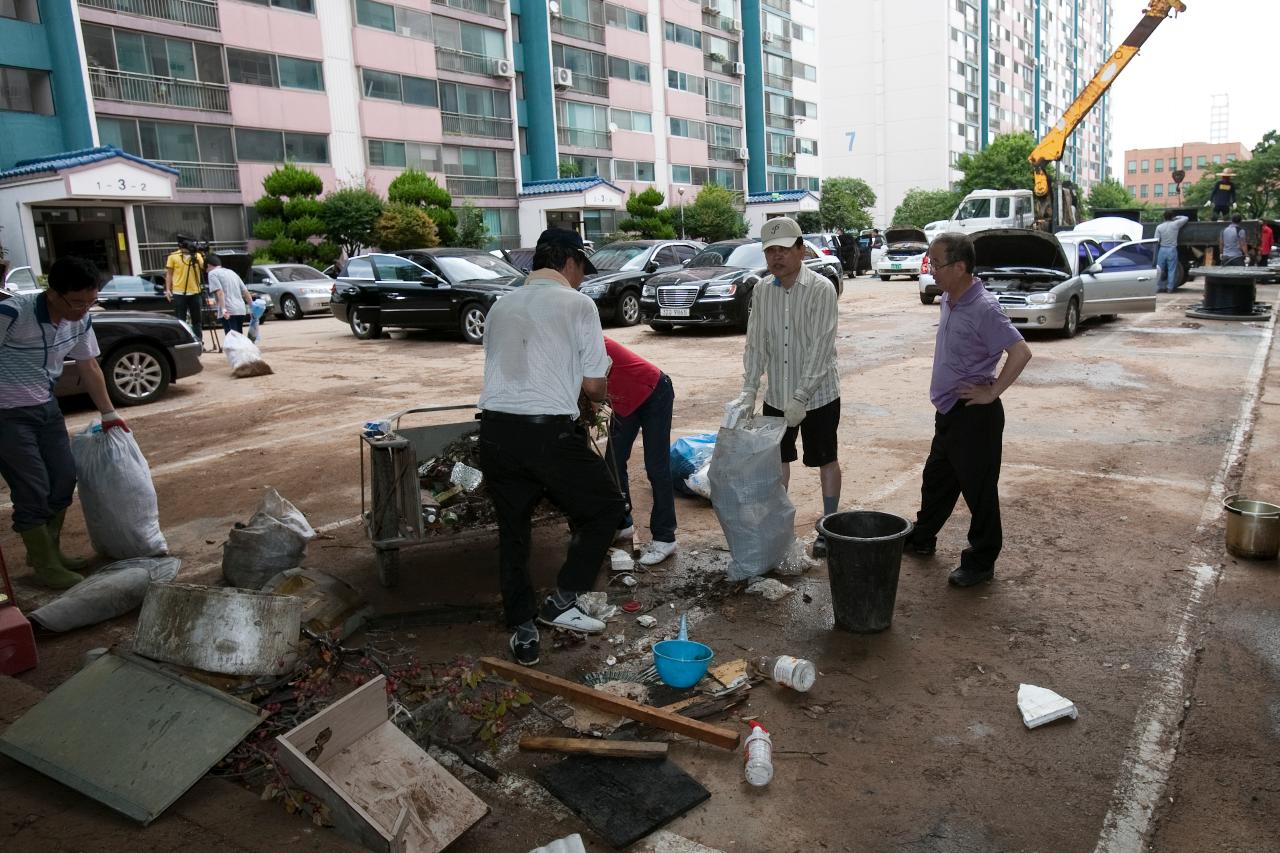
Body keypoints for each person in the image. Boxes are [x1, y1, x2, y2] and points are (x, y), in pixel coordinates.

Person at [478, 228, 627, 667]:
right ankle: (562, 600)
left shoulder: (500, 305)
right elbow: (596, 389)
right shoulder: (577, 304)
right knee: (605, 508)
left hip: (495, 435)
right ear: (569, 262)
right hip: (548, 436)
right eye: (582, 268)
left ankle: (523, 628)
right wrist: (601, 376)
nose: (582, 279)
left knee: (514, 532)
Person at [903, 233, 1031, 588]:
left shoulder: (984, 308)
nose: (931, 270)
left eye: (936, 264)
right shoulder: (949, 298)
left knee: (979, 491)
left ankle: (981, 560)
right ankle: (922, 537)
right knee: (938, 479)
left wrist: (993, 392)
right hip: (949, 412)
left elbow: (1020, 352)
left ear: (960, 267)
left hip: (975, 414)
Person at [0, 256, 130, 589]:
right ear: (53, 293)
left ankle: (49, 552)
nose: (83, 309)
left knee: (63, 479)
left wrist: (109, 413)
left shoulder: (81, 321)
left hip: (46, 409)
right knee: (32, 487)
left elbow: (89, 366)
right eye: (76, 302)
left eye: (91, 301)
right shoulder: (13, 313)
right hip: (7, 415)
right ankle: (45, 565)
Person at [729, 216, 842, 558]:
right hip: (777, 395)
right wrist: (749, 391)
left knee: (826, 458)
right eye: (770, 251)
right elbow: (757, 343)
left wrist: (803, 395)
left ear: (800, 250)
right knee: (777, 461)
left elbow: (822, 347)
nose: (776, 257)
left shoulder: (821, 289)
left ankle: (829, 524)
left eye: (783, 249)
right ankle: (778, 526)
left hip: (819, 395)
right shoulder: (763, 290)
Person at [604, 337, 677, 566]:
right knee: (613, 462)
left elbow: (592, 388)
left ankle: (665, 538)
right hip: (626, 401)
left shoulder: (589, 340)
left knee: (656, 467)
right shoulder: (566, 345)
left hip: (655, 393)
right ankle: (623, 523)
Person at [165, 236, 204, 345]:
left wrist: (200, 254)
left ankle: (199, 342)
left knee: (197, 320)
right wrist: (168, 289)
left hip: (195, 291)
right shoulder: (173, 256)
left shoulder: (197, 255)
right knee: (180, 320)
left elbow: (203, 267)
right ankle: (182, 342)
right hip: (179, 292)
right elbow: (169, 274)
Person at [205, 254, 252, 335]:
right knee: (239, 336)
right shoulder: (231, 272)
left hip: (228, 310)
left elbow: (220, 292)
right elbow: (245, 291)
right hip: (240, 309)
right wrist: (252, 307)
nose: (206, 271)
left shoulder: (212, 273)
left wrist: (223, 309)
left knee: (232, 337)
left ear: (208, 265)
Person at [1154, 210, 1188, 292]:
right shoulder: (1175, 224)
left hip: (1162, 249)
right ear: (1172, 217)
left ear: (1164, 217)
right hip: (1172, 249)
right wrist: (1176, 218)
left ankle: (1157, 287)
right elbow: (1186, 218)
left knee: (1159, 270)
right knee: (1172, 269)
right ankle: (1170, 288)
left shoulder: (1159, 227)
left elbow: (1156, 240)